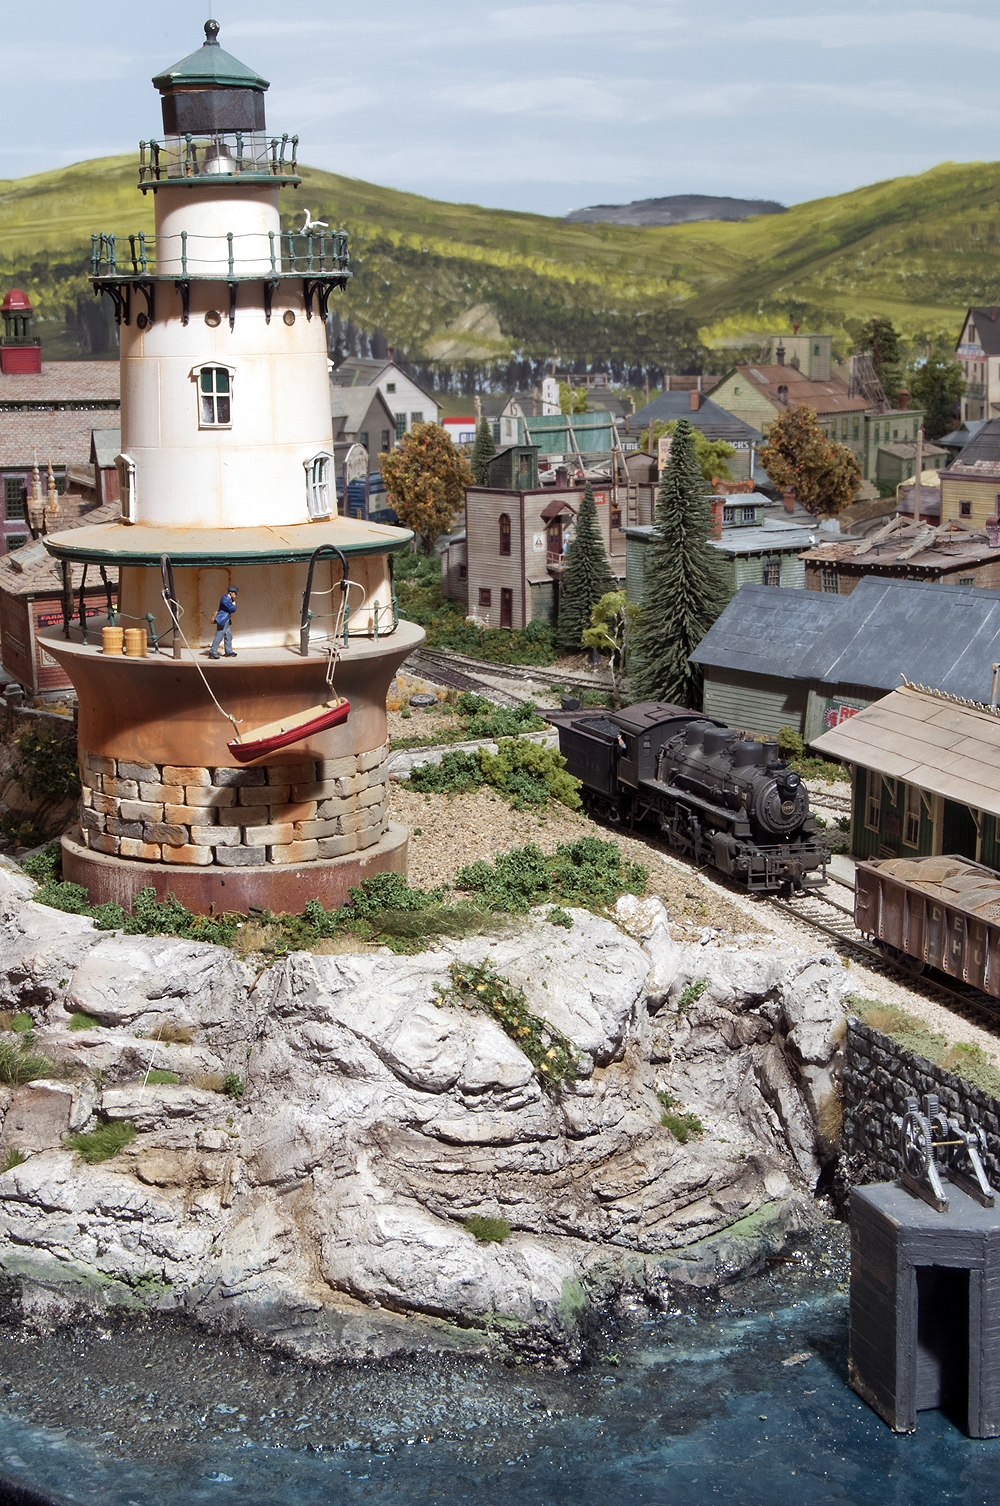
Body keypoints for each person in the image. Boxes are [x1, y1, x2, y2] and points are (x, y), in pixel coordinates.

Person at [209, 586, 239, 658]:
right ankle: (212, 652)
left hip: (226, 620)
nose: (236, 594)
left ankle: (229, 651)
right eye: (235, 593)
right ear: (231, 593)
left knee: (228, 636)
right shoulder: (225, 599)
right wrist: (234, 605)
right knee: (219, 636)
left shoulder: (229, 599)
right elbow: (231, 609)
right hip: (222, 620)